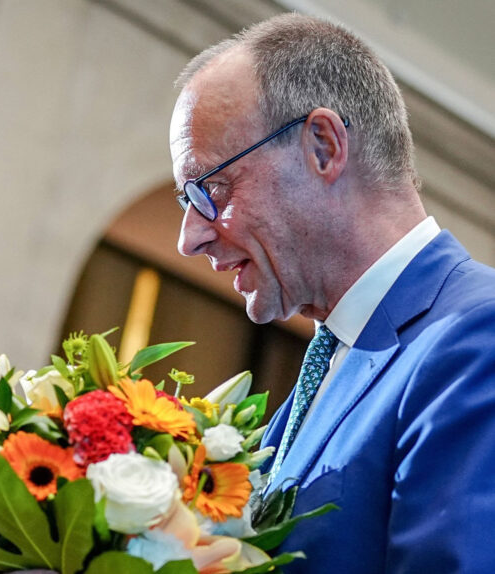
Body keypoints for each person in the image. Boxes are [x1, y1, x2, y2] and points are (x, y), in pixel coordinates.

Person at [171, 13, 495, 574]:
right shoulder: (330, 363)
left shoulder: (476, 340)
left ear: (323, 147)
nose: (190, 237)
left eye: (211, 188)